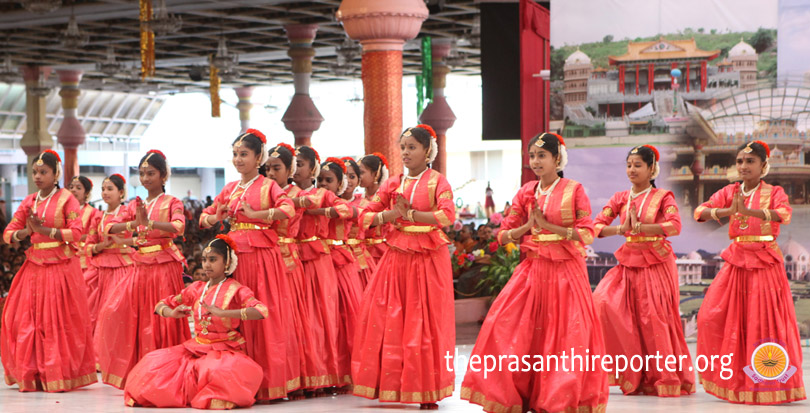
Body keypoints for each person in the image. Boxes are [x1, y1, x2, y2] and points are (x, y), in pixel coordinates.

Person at [461, 132, 608, 412]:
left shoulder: (574, 190)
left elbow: (587, 235)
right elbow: (503, 236)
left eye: (542, 155)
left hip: (566, 271)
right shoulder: (526, 191)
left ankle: (557, 398)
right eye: (532, 156)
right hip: (532, 268)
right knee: (504, 325)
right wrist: (528, 226)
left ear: (557, 158)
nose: (536, 161)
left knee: (565, 334)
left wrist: (549, 227)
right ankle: (517, 392)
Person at [693, 140, 805, 404]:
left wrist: (749, 211)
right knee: (711, 316)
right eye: (740, 161)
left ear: (763, 165)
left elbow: (784, 215)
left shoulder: (774, 191)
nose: (743, 166)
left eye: (750, 161)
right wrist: (727, 210)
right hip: (736, 260)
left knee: (762, 321)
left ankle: (765, 382)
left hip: (765, 260)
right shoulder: (731, 191)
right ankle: (734, 379)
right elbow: (699, 212)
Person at [352, 124, 456, 410]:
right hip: (396, 256)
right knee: (389, 317)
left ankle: (425, 389)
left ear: (428, 151)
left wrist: (410, 214)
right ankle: (391, 385)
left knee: (424, 321)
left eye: (412, 147)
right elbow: (365, 215)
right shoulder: (393, 183)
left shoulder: (438, 181)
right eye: (403, 147)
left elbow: (447, 216)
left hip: (428, 258)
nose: (406, 153)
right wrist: (392, 214)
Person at [199, 129, 300, 401]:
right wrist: (214, 218)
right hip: (234, 257)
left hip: (262, 257)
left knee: (260, 312)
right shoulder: (230, 188)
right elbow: (204, 216)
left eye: (244, 154)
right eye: (235, 154)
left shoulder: (268, 186)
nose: (238, 159)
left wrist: (257, 214)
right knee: (234, 313)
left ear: (259, 158)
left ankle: (268, 381)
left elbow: (288, 208)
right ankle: (237, 381)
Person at [591, 145, 695, 396]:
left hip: (655, 262)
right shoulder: (619, 198)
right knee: (602, 302)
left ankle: (663, 377)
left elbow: (674, 226)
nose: (631, 170)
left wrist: (642, 228)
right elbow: (595, 227)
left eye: (638, 165)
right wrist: (621, 229)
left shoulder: (663, 197)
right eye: (628, 165)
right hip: (628, 260)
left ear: (651, 169)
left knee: (653, 318)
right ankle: (630, 373)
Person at [124, 235, 268, 409]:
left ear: (227, 262)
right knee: (151, 364)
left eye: (213, 260)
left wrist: (224, 312)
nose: (207, 265)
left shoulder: (237, 290)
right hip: (195, 348)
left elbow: (261, 311)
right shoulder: (196, 288)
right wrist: (172, 313)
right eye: (204, 260)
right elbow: (161, 304)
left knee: (217, 371)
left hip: (225, 350)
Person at [1, 149, 97, 391]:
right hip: (33, 266)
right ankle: (33, 372)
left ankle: (57, 372)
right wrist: (26, 231)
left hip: (61, 267)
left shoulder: (68, 200)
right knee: (23, 319)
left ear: (56, 174)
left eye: (43, 172)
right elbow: (8, 234)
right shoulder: (29, 201)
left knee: (58, 321)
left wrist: (43, 231)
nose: (37, 176)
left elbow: (76, 233)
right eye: (34, 172)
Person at [96, 149, 191, 389]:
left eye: (151, 173)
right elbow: (108, 227)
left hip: (163, 266)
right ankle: (139, 372)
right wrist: (133, 223)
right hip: (140, 267)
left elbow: (178, 227)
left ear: (163, 175)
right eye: (142, 174)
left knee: (161, 320)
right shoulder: (135, 204)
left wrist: (150, 224)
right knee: (122, 313)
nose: (146, 178)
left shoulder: (172, 202)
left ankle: (164, 375)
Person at [313, 157, 362, 394]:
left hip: (341, 262)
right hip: (320, 259)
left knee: (346, 318)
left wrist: (316, 209)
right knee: (325, 319)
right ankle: (329, 372)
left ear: (340, 183)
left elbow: (353, 212)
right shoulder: (311, 197)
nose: (323, 184)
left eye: (329, 180)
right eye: (320, 180)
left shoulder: (340, 204)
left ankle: (350, 373)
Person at [84, 174, 135, 335]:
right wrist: (101, 245)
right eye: (103, 189)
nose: (105, 192)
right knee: (92, 310)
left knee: (116, 310)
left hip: (123, 265)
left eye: (110, 189)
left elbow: (140, 235)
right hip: (100, 268)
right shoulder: (98, 217)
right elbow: (88, 246)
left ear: (121, 192)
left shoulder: (128, 213)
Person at [341, 156, 376, 289]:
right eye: (344, 176)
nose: (348, 181)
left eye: (352, 176)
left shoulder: (365, 203)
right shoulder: (329, 202)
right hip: (337, 256)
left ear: (358, 180)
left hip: (360, 256)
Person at [67, 175, 101, 273]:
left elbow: (96, 235)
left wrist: (75, 236)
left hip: (84, 257)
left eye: (78, 188)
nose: (73, 190)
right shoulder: (62, 211)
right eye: (71, 187)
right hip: (65, 255)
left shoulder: (93, 212)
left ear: (86, 193)